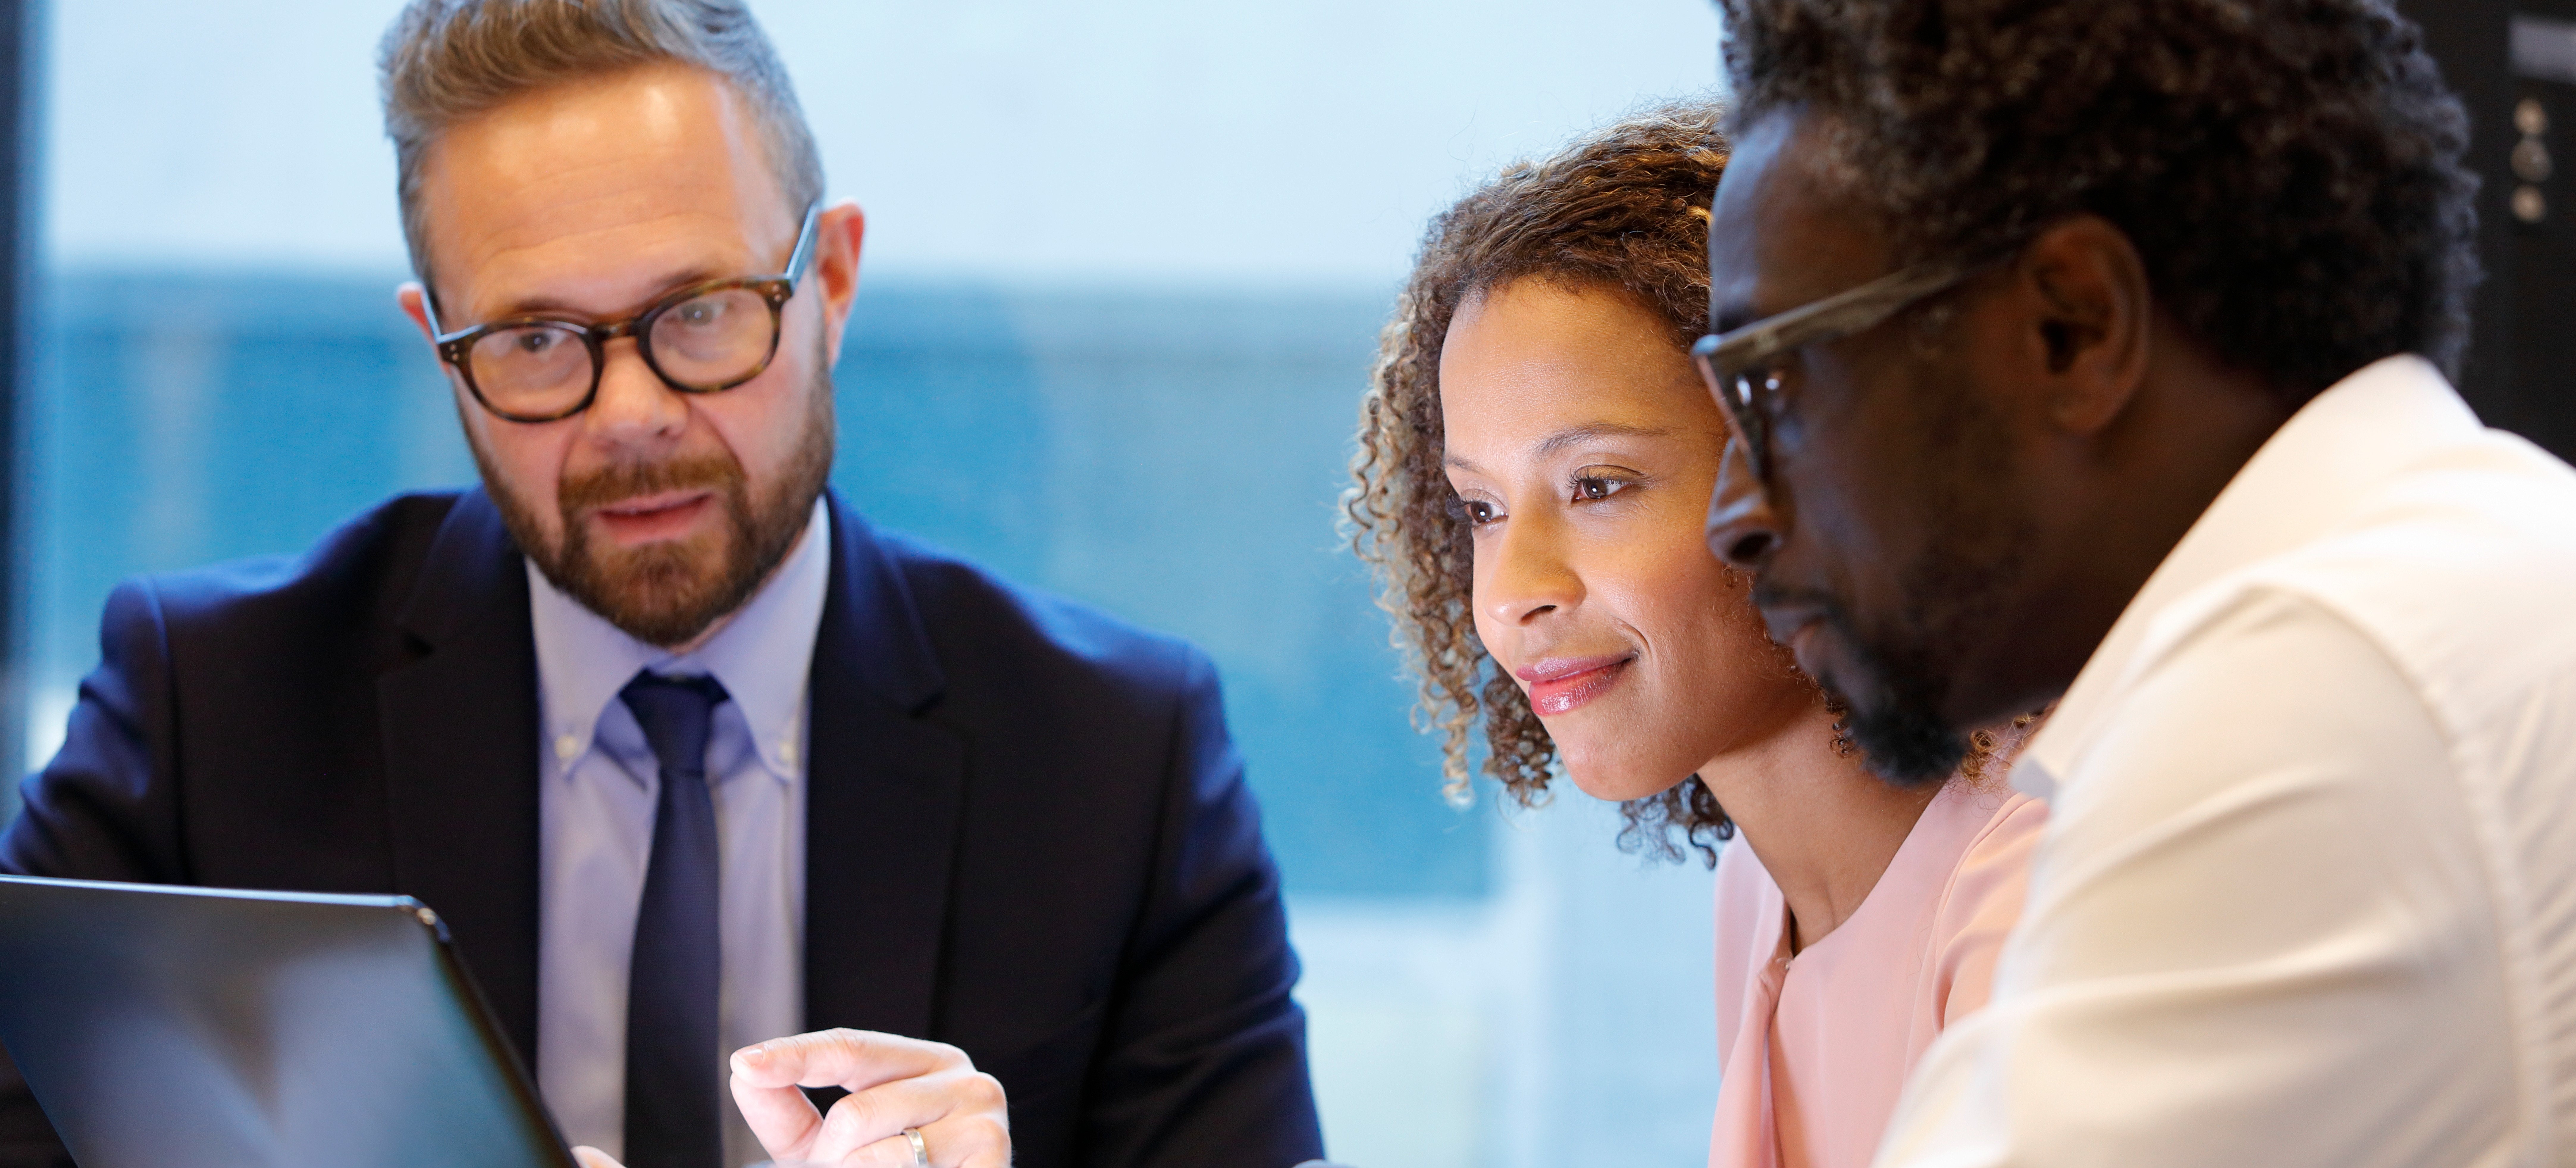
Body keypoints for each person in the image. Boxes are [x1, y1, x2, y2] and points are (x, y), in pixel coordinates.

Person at [0, 3, 1324, 1167]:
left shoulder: (1116, 755)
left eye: (699, 312)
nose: (630, 415)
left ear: (834, 283)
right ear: (439, 349)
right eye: (534, 339)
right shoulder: (206, 710)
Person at [1699, 1, 2576, 1164]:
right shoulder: (2472, 563)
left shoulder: (2305, 688)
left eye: (1770, 388)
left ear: (2072, 326)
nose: (1734, 517)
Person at [1344, 100, 2046, 1168]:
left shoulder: (2036, 888)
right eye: (1480, 509)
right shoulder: (1758, 895)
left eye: (1597, 485)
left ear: (1821, 472)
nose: (1510, 593)